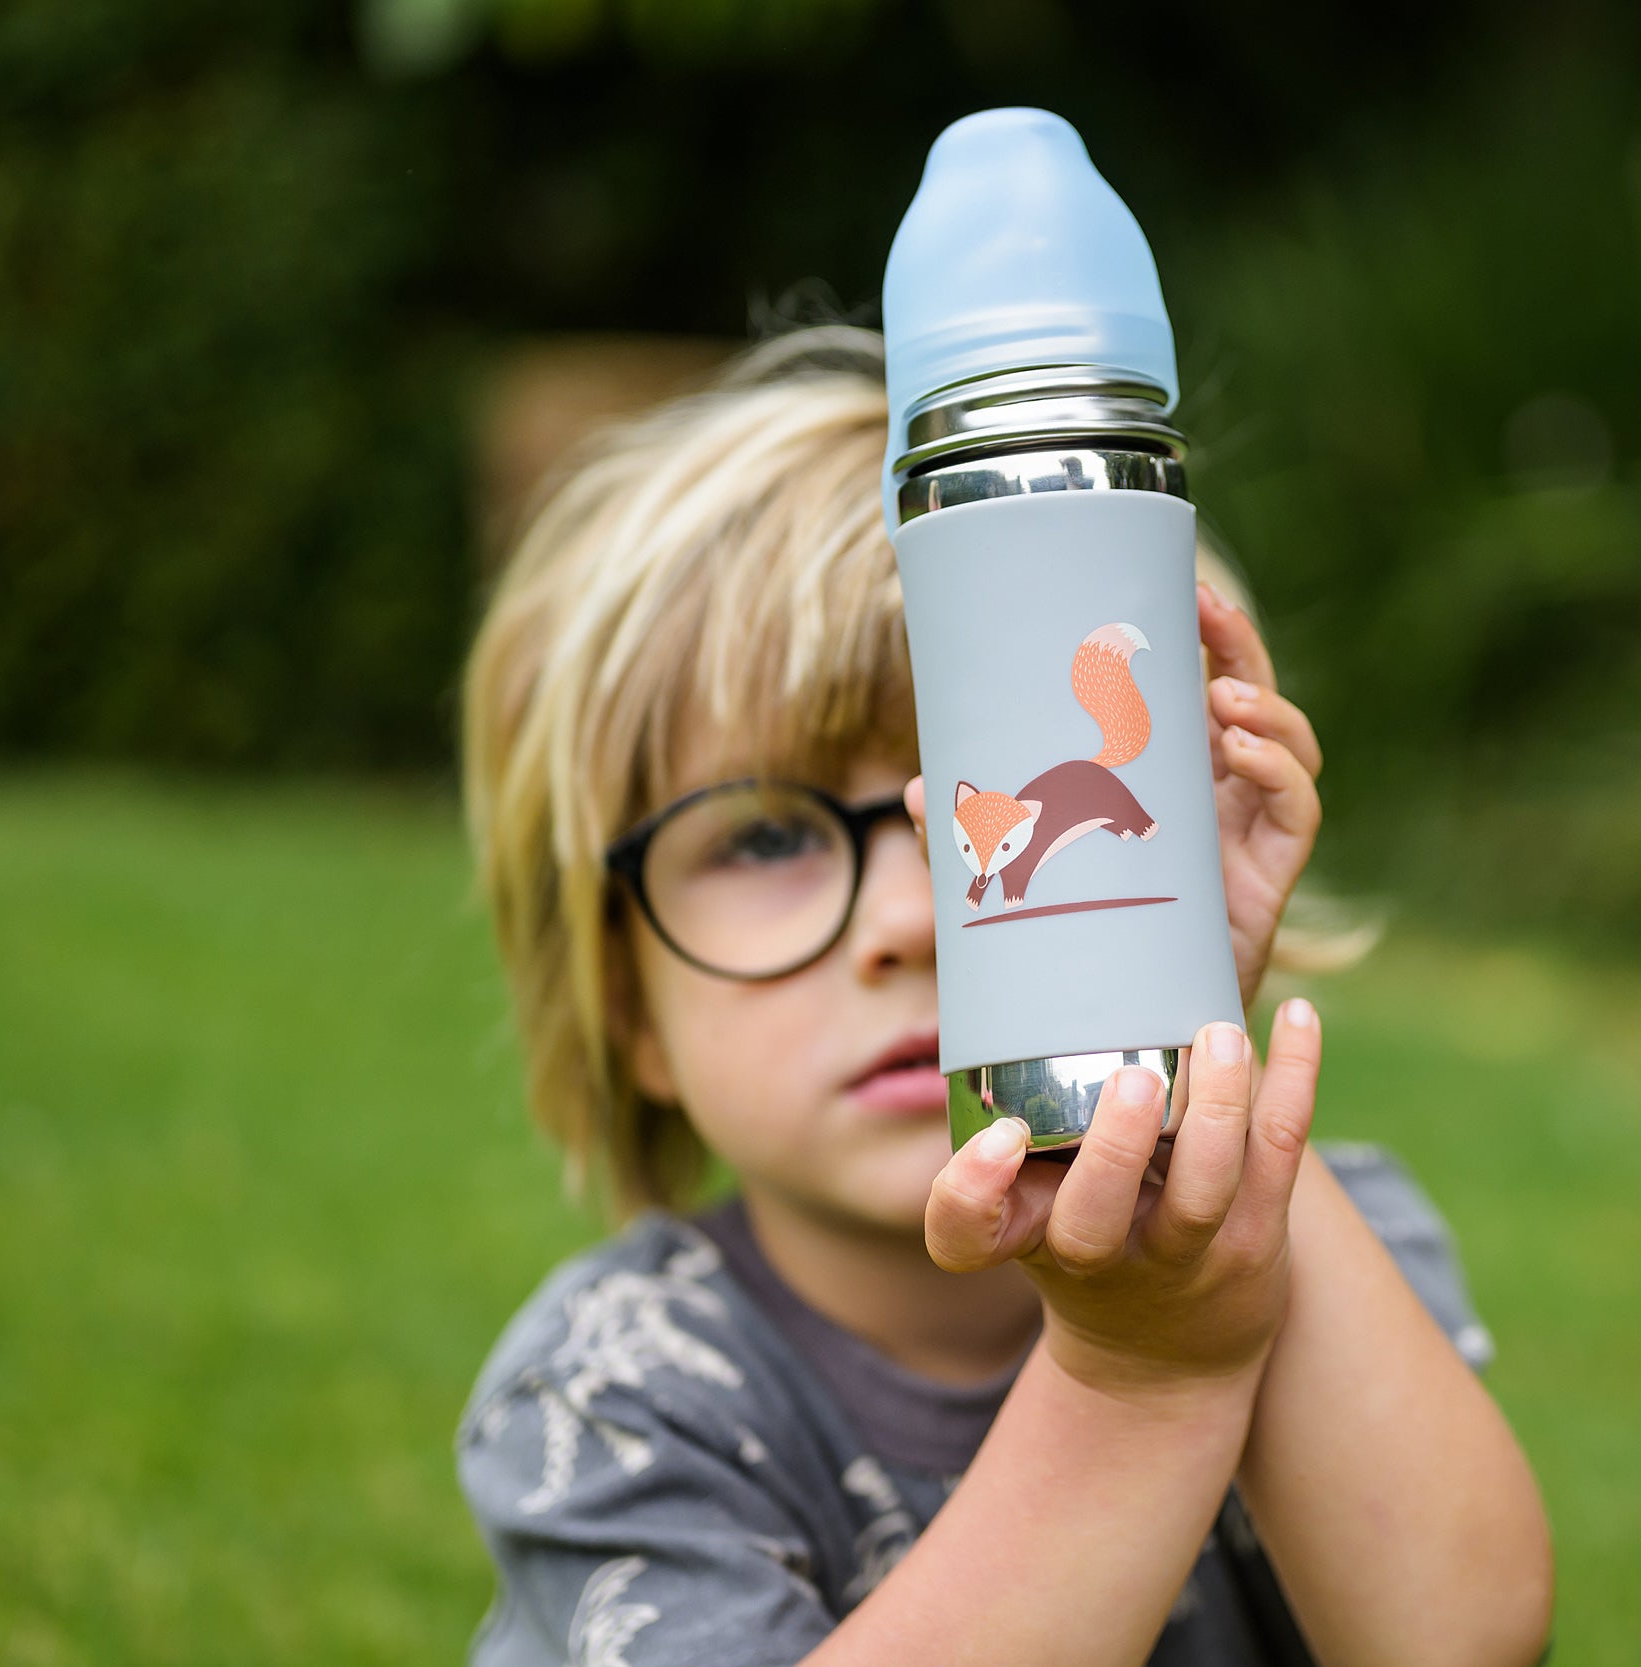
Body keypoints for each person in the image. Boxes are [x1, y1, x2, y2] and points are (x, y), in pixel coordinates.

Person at [454, 324, 1553, 1666]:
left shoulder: (1319, 1238)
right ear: (625, 1002)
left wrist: (1175, 989)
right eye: (764, 838)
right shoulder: (627, 1390)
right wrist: (1140, 1380)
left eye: (958, 812)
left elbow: (1462, 1642)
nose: (922, 919)